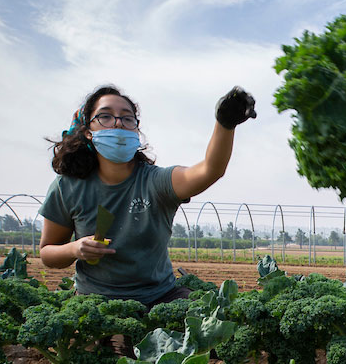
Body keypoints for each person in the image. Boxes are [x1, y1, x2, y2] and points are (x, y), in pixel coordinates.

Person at [39, 84, 256, 307]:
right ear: (88, 131)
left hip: (160, 298)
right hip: (95, 302)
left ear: (136, 131)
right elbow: (48, 253)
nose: (118, 123)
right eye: (105, 116)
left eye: (127, 118)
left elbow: (210, 170)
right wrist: (75, 249)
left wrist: (225, 124)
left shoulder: (155, 182)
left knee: (215, 321)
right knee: (110, 340)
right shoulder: (68, 186)